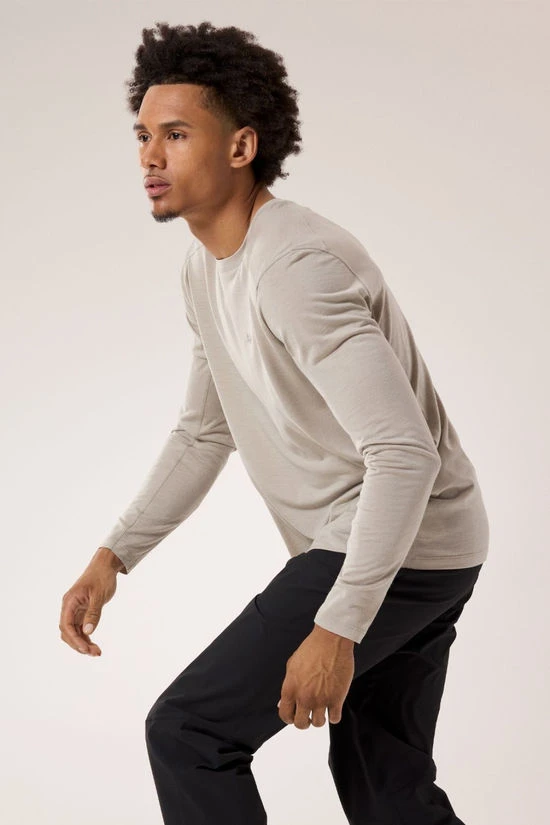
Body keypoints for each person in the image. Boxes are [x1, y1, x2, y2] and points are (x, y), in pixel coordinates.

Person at [59, 20, 490, 825]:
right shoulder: (206, 268)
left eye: (176, 134)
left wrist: (338, 624)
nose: (150, 157)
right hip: (433, 547)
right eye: (143, 136)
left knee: (190, 731)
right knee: (386, 791)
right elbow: (204, 430)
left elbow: (404, 453)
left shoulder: (294, 266)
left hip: (393, 544)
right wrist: (114, 554)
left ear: (241, 146)